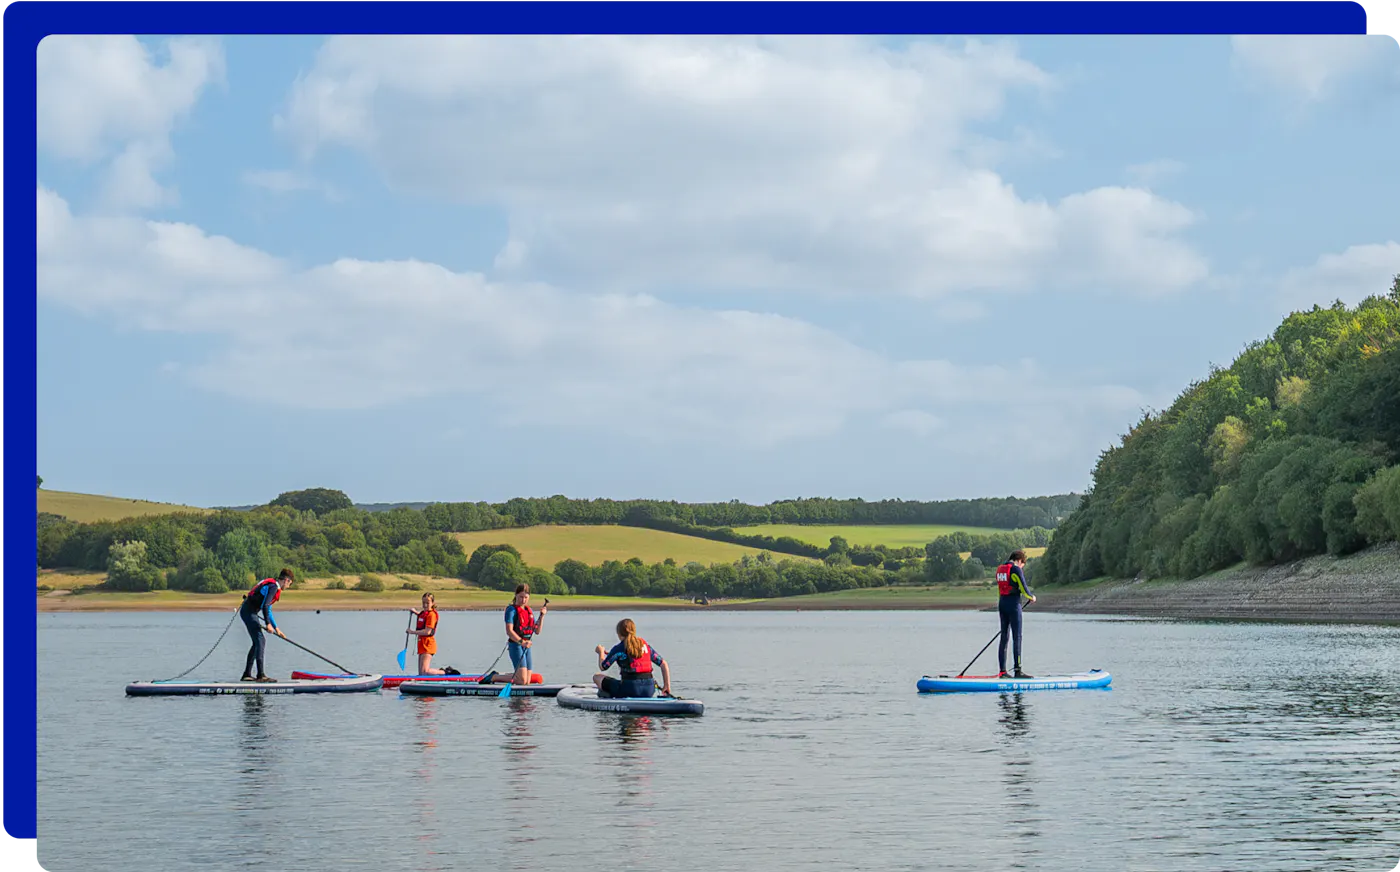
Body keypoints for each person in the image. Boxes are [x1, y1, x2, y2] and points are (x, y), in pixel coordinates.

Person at [481, 584, 547, 686]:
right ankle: (493, 677)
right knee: (521, 681)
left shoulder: (528, 611)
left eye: (526, 597)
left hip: (526, 647)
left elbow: (537, 631)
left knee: (527, 681)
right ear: (516, 595)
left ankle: (515, 675)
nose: (523, 600)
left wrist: (542, 616)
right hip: (516, 645)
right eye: (521, 597)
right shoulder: (511, 610)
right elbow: (509, 631)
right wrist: (522, 642)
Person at [593, 618, 672, 699]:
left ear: (619, 634)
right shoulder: (645, 646)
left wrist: (601, 652)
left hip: (630, 689)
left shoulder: (619, 648)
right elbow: (663, 664)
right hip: (649, 690)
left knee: (596, 677)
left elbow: (603, 667)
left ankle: (608, 694)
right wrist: (666, 686)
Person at [240, 568, 293, 682]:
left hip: (250, 612)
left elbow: (268, 609)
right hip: (248, 612)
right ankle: (261, 675)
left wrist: (276, 628)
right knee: (260, 640)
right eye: (289, 584)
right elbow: (264, 606)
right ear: (286, 580)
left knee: (257, 642)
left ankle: (247, 674)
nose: (288, 587)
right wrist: (268, 624)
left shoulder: (273, 585)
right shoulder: (273, 587)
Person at [995, 550, 1036, 679]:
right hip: (1013, 606)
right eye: (1022, 564)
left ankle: (1002, 671)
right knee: (1017, 637)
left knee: (1004, 637)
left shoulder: (1000, 569)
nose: (1022, 567)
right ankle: (1018, 671)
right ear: (1019, 560)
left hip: (1002, 604)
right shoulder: (1016, 569)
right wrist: (1031, 597)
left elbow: (1001, 589)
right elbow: (1024, 588)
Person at [408, 592, 459, 675]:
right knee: (421, 673)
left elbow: (427, 631)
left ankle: (446, 672)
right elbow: (422, 617)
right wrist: (415, 612)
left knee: (425, 671)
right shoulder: (424, 613)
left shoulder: (432, 615)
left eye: (427, 603)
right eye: (423, 603)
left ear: (432, 603)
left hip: (428, 645)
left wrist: (412, 632)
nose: (425, 605)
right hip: (421, 644)